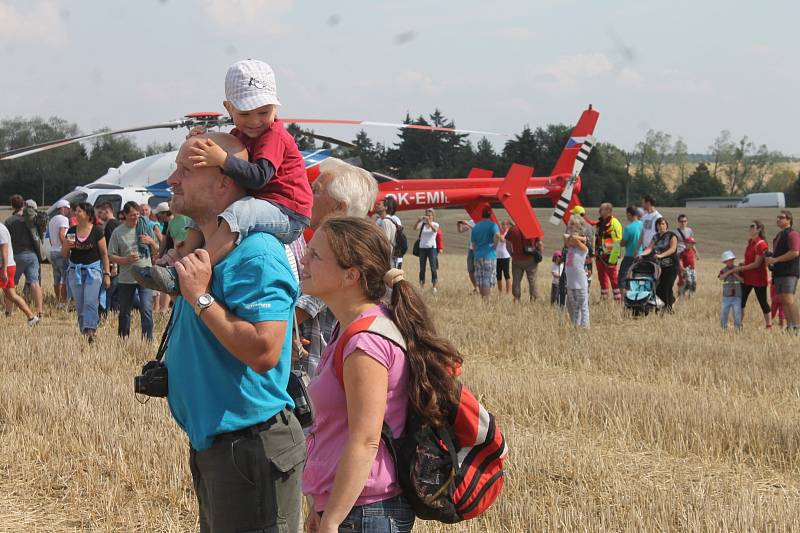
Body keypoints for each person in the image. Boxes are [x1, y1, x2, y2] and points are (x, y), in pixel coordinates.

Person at [163, 132, 304, 532]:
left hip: (250, 450)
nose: (174, 180)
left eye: (186, 171)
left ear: (224, 181)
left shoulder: (255, 253)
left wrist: (201, 299)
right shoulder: (205, 249)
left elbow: (264, 351)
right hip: (221, 447)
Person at [301, 217, 462, 533]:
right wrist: (324, 507)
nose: (304, 261)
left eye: (315, 255)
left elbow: (365, 440)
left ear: (351, 275)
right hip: (354, 506)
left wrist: (333, 519)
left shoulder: (366, 342)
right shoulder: (346, 328)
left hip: (366, 512)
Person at [138, 59, 312, 296]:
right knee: (202, 213)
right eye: (244, 113)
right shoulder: (239, 135)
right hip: (267, 205)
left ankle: (199, 267)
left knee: (241, 212)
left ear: (276, 108)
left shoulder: (274, 136)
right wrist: (203, 136)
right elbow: (228, 149)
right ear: (228, 108)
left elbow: (260, 177)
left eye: (264, 111)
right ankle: (178, 259)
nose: (254, 120)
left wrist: (222, 159)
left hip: (288, 212)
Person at [293, 157, 378, 377]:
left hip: (317, 374)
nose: (307, 195)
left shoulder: (339, 253)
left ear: (339, 207)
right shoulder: (330, 247)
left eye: (316, 190)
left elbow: (299, 311)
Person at [108, 202, 158, 340]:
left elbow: (156, 250)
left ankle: (147, 340)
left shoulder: (145, 228)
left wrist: (151, 242)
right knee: (124, 311)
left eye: (137, 214)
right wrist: (126, 260)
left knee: (147, 310)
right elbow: (111, 255)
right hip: (126, 278)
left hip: (145, 275)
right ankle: (123, 338)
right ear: (125, 215)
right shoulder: (118, 232)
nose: (136, 217)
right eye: (132, 215)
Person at [62, 202, 111, 342]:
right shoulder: (71, 231)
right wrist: (66, 245)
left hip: (93, 271)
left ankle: (91, 330)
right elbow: (64, 254)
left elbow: (104, 254)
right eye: (76, 211)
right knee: (80, 303)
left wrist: (106, 274)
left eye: (79, 211)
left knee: (90, 301)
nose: (76, 214)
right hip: (75, 271)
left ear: (88, 214)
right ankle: (84, 330)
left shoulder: (97, 231)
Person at [4, 194, 43, 317]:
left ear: (12, 206)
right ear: (24, 204)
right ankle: (40, 311)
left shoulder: (9, 221)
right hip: (32, 255)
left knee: (11, 285)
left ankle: (9, 312)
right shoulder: (31, 219)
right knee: (35, 283)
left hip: (16, 256)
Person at [729, 221, 771, 328]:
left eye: (753, 226)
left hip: (758, 278)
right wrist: (743, 264)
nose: (750, 228)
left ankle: (769, 326)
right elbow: (750, 261)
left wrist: (741, 268)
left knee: (763, 302)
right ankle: (738, 324)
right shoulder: (750, 242)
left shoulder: (761, 244)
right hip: (747, 277)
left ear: (759, 229)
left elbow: (757, 264)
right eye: (750, 226)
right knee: (740, 301)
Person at [765, 210, 800, 332]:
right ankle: (790, 326)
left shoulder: (793, 234)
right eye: (777, 217)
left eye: (781, 217)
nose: (778, 219)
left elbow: (795, 252)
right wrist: (771, 255)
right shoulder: (779, 235)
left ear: (789, 219)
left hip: (789, 272)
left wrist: (775, 259)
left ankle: (797, 326)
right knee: (783, 300)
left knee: (789, 299)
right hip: (779, 272)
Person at [0, 221, 40, 326]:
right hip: (6, 266)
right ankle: (31, 317)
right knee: (11, 295)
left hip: (5, 267)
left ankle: (31, 317)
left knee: (11, 295)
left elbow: (4, 252)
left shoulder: (1, 230)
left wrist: (4, 271)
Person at [641, 217, 679, 313]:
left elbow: (672, 249)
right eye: (658, 224)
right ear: (656, 226)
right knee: (659, 288)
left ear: (666, 225)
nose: (661, 226)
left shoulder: (672, 235)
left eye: (663, 224)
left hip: (671, 265)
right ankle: (668, 304)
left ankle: (668, 308)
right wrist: (641, 255)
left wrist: (661, 255)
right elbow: (649, 248)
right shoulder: (655, 237)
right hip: (659, 266)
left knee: (667, 286)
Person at [504, 220, 543, 302]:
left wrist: (511, 253)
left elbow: (507, 242)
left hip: (517, 259)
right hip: (531, 259)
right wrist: (539, 254)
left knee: (516, 280)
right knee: (532, 280)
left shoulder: (513, 229)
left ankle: (517, 299)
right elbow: (540, 243)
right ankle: (533, 299)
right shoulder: (533, 228)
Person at [563, 216, 589, 328]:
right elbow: (566, 238)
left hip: (580, 283)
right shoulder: (569, 247)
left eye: (576, 230)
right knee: (573, 307)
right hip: (570, 282)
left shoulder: (582, 248)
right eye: (571, 229)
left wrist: (580, 238)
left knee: (583, 306)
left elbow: (574, 239)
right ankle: (576, 326)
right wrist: (573, 235)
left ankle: (585, 327)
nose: (572, 233)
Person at [471, 207, 501, 299]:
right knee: (487, 279)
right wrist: (495, 246)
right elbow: (497, 235)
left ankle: (482, 298)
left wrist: (476, 251)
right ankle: (486, 301)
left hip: (478, 255)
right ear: (490, 215)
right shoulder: (493, 225)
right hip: (489, 255)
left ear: (482, 215)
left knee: (480, 279)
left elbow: (473, 244)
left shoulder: (476, 227)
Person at [595, 203, 623, 301]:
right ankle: (604, 299)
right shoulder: (600, 223)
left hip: (610, 255)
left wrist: (614, 257)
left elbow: (617, 241)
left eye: (601, 209)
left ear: (607, 211)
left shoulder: (615, 223)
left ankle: (618, 300)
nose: (599, 211)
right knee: (602, 277)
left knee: (613, 278)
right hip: (600, 255)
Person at [48, 199, 71, 309]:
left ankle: (58, 301)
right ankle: (64, 301)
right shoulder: (64, 219)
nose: (68, 210)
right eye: (67, 208)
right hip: (61, 250)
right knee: (65, 277)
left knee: (56, 277)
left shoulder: (52, 220)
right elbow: (62, 235)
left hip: (53, 251)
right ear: (62, 208)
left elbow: (51, 239)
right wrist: (66, 249)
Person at [415, 208, 440, 293]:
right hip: (422, 248)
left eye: (429, 215)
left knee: (433, 268)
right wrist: (418, 221)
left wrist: (429, 223)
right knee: (422, 268)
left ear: (433, 216)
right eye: (427, 215)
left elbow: (435, 230)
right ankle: (422, 285)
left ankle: (434, 287)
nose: (428, 217)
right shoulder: (422, 224)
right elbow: (415, 228)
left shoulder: (435, 224)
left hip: (432, 248)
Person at [618, 206, 643, 287]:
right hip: (642, 255)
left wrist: (619, 242)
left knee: (623, 277)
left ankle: (623, 298)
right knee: (638, 277)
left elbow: (623, 243)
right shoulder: (643, 225)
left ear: (629, 214)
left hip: (630, 255)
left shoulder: (629, 228)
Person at [719, 250, 743, 330]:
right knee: (724, 313)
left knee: (737, 314)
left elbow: (743, 280)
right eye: (728, 261)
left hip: (737, 296)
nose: (730, 262)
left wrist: (734, 273)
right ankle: (723, 328)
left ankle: (737, 329)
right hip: (726, 296)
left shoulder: (738, 269)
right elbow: (720, 277)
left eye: (731, 260)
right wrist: (730, 272)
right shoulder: (723, 270)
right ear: (725, 262)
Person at [382, 196, 404, 269]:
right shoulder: (395, 220)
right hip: (395, 255)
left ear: (386, 207)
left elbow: (386, 240)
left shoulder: (386, 221)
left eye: (381, 204)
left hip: (390, 256)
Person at [457, 219, 478, 292]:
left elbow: (478, 230)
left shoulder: (481, 221)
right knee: (470, 270)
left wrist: (467, 224)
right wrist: (459, 225)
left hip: (479, 249)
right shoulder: (472, 221)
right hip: (471, 248)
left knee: (478, 270)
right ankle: (476, 287)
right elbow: (461, 230)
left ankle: (480, 288)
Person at [495, 220, 511, 294]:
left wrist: (497, 234)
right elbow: (496, 244)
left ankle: (508, 292)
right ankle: (500, 292)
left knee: (506, 274)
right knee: (498, 275)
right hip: (498, 257)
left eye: (504, 224)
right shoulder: (501, 234)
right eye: (502, 224)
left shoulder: (508, 234)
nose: (502, 226)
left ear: (507, 225)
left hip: (505, 257)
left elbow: (503, 240)